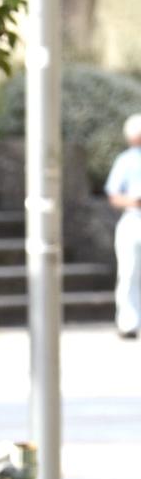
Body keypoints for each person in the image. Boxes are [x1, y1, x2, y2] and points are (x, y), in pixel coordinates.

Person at [108, 113, 141, 340]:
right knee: (129, 271)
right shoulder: (125, 161)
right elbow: (113, 194)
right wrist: (134, 202)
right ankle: (128, 322)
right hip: (133, 219)